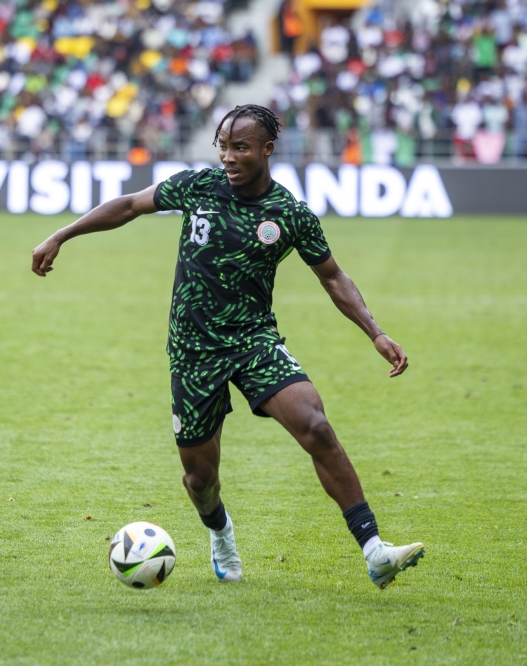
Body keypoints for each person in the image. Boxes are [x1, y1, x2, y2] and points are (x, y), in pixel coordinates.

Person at [31, 105, 425, 589]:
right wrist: (62, 234)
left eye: (240, 147)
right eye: (223, 146)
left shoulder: (290, 214)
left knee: (315, 425)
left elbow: (333, 277)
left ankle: (374, 550)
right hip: (193, 351)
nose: (228, 157)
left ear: (266, 150)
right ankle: (220, 532)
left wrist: (376, 331)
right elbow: (131, 204)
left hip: (254, 341)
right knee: (200, 479)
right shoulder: (198, 186)